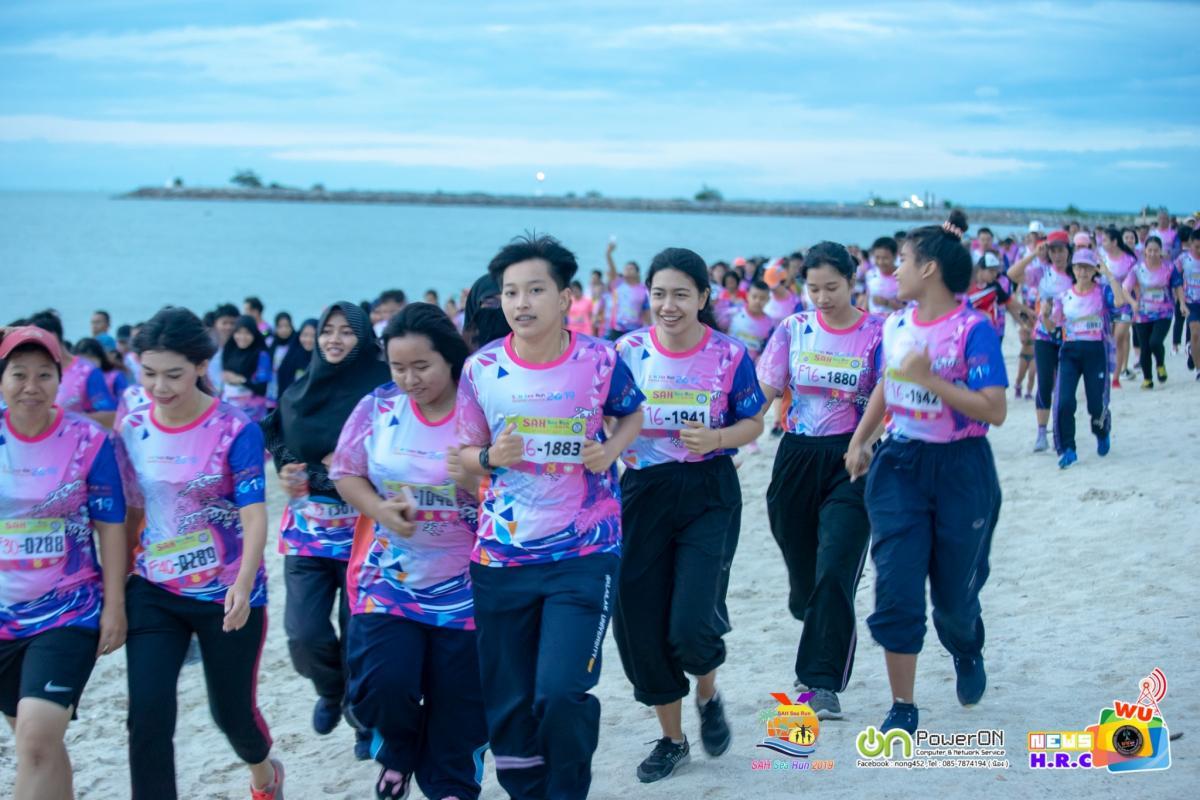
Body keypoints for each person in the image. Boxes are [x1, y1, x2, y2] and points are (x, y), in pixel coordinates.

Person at [453, 233, 645, 800]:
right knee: (510, 702)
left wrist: (610, 451)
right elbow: (462, 456)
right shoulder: (481, 369)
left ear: (564, 298)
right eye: (511, 292)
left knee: (560, 692)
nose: (521, 303)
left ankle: (567, 790)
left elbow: (632, 414)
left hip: (584, 553)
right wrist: (490, 457)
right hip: (502, 558)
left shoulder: (599, 359)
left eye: (535, 290)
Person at [846, 211, 1007, 735]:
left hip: (962, 469)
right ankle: (903, 704)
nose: (893, 270)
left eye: (904, 260)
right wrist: (860, 438)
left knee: (954, 599)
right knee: (896, 584)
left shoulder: (973, 330)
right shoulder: (895, 324)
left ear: (930, 268)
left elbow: (994, 409)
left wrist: (932, 379)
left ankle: (966, 647)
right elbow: (887, 385)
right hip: (900, 465)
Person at [611, 248, 765, 783]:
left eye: (681, 294)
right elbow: (602, 417)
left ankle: (707, 692)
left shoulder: (729, 354)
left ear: (703, 297)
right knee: (640, 619)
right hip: (643, 492)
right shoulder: (627, 352)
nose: (668, 305)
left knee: (691, 623)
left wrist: (718, 438)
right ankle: (673, 740)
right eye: (659, 294)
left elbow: (754, 421)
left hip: (708, 491)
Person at [116, 307, 283, 799]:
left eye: (173, 374)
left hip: (225, 594)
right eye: (149, 373)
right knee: (147, 715)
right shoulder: (132, 427)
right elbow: (130, 511)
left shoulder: (235, 429)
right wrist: (117, 586)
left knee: (231, 715)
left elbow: (254, 514)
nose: (159, 386)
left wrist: (243, 585)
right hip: (153, 589)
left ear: (200, 366)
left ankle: (264, 772)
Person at [330, 303, 489, 800]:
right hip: (389, 578)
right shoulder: (379, 407)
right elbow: (345, 472)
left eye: (422, 366)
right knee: (382, 684)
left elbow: (515, 490)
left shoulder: (480, 410)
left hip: (467, 585)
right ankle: (398, 749)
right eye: (399, 368)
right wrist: (379, 508)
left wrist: (476, 481)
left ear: (450, 358)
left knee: (459, 700)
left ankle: (452, 784)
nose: (409, 379)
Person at [756, 242, 884, 722]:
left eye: (832, 287)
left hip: (853, 459)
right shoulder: (794, 329)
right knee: (804, 571)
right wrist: (728, 436)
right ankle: (805, 602)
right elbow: (764, 391)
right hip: (796, 456)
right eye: (814, 289)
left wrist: (865, 440)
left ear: (852, 282)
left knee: (835, 570)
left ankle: (822, 683)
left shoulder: (877, 333)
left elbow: (889, 393)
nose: (823, 298)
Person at [0, 327, 127, 800]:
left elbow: (111, 526)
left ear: (60, 379)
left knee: (35, 740)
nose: (31, 386)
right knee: (38, 744)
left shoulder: (87, 440)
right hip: (4, 616)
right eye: (19, 375)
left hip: (68, 611)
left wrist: (114, 606)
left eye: (44, 375)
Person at [260, 301, 388, 758]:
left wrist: (346, 468)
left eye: (346, 332)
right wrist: (290, 472)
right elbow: (279, 440)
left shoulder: (384, 392)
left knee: (360, 637)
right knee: (304, 633)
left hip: (366, 535)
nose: (334, 339)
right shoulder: (299, 391)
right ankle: (332, 691)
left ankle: (361, 718)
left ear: (364, 338)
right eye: (327, 330)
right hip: (308, 534)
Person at [1048, 249, 1129, 468]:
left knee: (1096, 404)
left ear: (1094, 270)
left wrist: (1108, 274)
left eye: (1087, 267)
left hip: (1095, 353)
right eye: (1078, 267)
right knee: (1064, 402)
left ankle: (1102, 431)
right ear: (1073, 269)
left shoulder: (1102, 292)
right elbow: (1053, 324)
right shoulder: (1064, 296)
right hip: (1070, 353)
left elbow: (1120, 301)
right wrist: (1044, 314)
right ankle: (1068, 449)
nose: (1082, 272)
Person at [1009, 230, 1073, 452]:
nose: (1057, 255)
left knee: (1064, 386)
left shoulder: (1077, 273)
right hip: (1044, 336)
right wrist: (1034, 254)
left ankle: (1059, 430)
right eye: (1053, 250)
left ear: (1068, 251)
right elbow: (1012, 274)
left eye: (1061, 250)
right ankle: (1041, 433)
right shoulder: (1042, 272)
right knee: (1045, 383)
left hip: (1070, 336)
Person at [28, 310, 117, 428]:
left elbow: (111, 417)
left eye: (34, 342)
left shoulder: (86, 372)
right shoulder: (36, 375)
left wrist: (65, 419)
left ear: (52, 337)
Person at [1123, 236, 1183, 388]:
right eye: (1150, 250)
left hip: (1164, 312)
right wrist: (1132, 302)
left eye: (1156, 250)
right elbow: (1125, 289)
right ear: (1145, 251)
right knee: (1145, 347)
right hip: (1142, 313)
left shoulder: (1169, 267)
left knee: (1155, 342)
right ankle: (1147, 379)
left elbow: (1178, 286)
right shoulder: (1137, 269)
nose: (1152, 254)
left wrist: (1182, 303)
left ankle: (1160, 365)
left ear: (1161, 251)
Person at [1100, 226, 1140, 384]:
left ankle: (1117, 374)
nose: (1102, 243)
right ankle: (1111, 368)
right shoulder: (1101, 259)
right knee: (1109, 338)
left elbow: (1135, 284)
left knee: (1119, 336)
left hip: (1125, 303)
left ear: (1114, 242)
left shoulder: (1129, 260)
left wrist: (1137, 302)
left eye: (1105, 240)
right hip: (1106, 304)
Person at [220, 315, 272, 422]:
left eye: (247, 333)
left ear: (254, 334)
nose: (242, 337)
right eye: (238, 332)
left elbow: (262, 389)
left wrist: (241, 380)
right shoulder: (230, 349)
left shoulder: (262, 355)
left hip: (252, 413)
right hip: (228, 408)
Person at [604, 241, 651, 339]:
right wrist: (608, 254)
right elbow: (612, 270)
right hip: (616, 330)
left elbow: (646, 312)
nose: (627, 270)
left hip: (634, 331)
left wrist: (650, 330)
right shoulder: (618, 284)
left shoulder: (643, 290)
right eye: (626, 268)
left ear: (637, 273)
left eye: (631, 269)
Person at [725, 280, 774, 362]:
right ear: (747, 295)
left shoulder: (770, 324)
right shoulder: (733, 313)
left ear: (768, 300)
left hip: (750, 365)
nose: (757, 301)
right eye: (754, 297)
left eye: (762, 298)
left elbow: (767, 349)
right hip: (728, 361)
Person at [73, 336, 130, 401]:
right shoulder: (76, 382)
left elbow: (125, 401)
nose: (87, 366)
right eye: (82, 362)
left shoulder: (115, 376)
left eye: (90, 360)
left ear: (100, 357)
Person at [275, 317, 316, 398]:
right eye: (305, 335)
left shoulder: (324, 360)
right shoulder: (292, 355)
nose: (308, 339)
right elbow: (283, 381)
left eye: (314, 336)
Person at [865, 237, 904, 317]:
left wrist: (887, 303)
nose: (880, 262)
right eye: (877, 257)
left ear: (895, 256)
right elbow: (868, 298)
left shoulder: (902, 276)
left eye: (885, 258)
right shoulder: (871, 274)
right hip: (875, 322)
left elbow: (910, 309)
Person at [1179, 233, 1200, 380]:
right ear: (1190, 244)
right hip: (1191, 302)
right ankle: (1199, 369)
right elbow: (1173, 278)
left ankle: (1192, 350)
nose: (1199, 250)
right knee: (1195, 332)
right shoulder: (1183, 259)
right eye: (1197, 247)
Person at [208, 303, 239, 394]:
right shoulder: (207, 348)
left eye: (232, 323)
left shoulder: (242, 350)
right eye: (224, 323)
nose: (228, 327)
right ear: (215, 323)